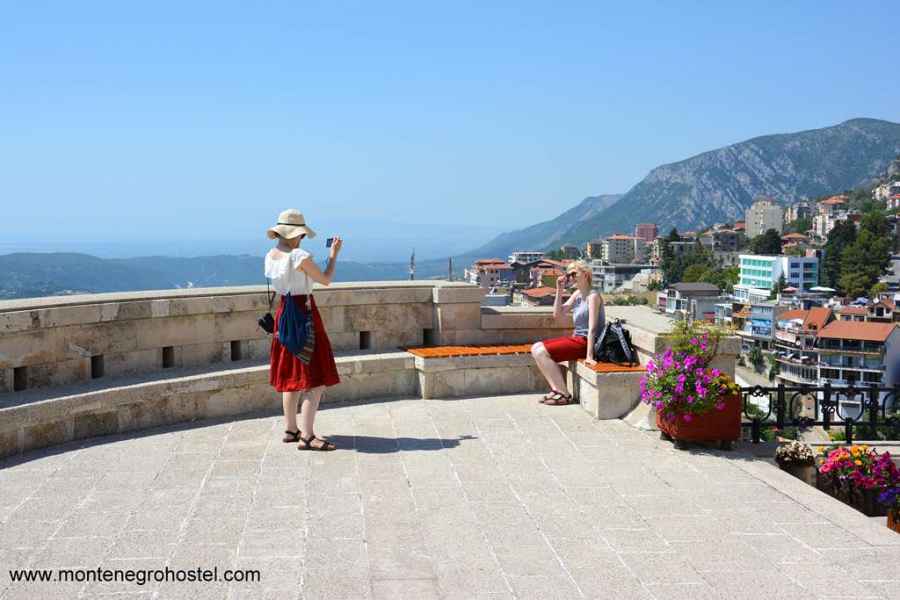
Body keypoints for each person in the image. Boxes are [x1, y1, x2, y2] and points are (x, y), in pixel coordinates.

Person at [265, 209, 343, 450]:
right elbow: (326, 279)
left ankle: (290, 429)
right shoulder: (299, 255)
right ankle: (308, 436)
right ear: (297, 234)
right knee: (315, 379)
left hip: (284, 314)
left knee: (290, 374)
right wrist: (333, 255)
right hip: (304, 315)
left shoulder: (271, 255)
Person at [530, 260, 605, 405]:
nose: (570, 277)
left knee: (541, 352)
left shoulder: (593, 296)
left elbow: (592, 329)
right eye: (568, 274)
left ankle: (563, 394)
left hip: (586, 343)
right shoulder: (577, 294)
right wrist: (559, 289)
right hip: (578, 339)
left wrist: (589, 356)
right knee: (535, 348)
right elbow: (557, 315)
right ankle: (556, 389)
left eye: (573, 274)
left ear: (585, 274)